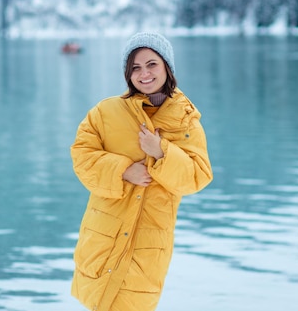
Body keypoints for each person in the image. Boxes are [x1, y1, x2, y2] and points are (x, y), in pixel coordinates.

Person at [70, 32, 213, 311]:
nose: (144, 74)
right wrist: (123, 171)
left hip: (148, 243)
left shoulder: (186, 122)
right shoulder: (105, 112)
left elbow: (198, 176)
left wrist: (161, 152)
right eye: (135, 67)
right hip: (103, 236)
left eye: (151, 64)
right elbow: (82, 157)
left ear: (167, 67)